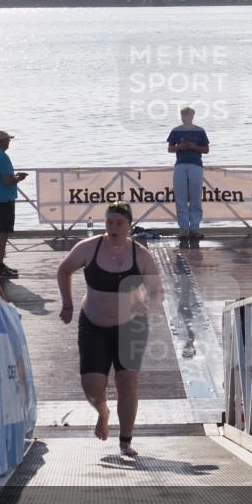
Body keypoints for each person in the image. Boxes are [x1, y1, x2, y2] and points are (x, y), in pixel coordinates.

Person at [56, 203, 163, 457]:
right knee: (92, 386)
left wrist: (146, 305)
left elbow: (157, 291)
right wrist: (68, 304)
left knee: (127, 383)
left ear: (129, 227)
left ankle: (125, 441)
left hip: (131, 326)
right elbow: (64, 270)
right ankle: (103, 412)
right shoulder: (88, 248)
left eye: (119, 223)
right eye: (109, 222)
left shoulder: (141, 255)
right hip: (94, 322)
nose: (113, 227)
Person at [0, 130, 28, 279]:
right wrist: (19, 178)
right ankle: (0, 265)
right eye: (7, 140)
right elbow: (7, 180)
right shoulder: (2, 157)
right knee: (2, 233)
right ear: (1, 141)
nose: (9, 142)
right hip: (3, 200)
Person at [166, 106, 209, 238]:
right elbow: (170, 148)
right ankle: (184, 229)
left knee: (195, 197)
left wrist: (194, 147)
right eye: (183, 116)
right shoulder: (176, 131)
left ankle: (195, 228)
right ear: (181, 117)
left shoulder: (200, 131)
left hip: (196, 165)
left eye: (188, 116)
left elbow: (206, 149)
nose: (186, 118)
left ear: (192, 116)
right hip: (180, 165)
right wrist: (181, 147)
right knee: (181, 198)